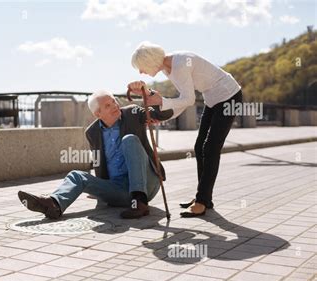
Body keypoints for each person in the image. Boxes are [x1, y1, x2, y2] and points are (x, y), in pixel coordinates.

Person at [18, 90, 179, 219]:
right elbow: (99, 162)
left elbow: (164, 114)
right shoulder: (92, 132)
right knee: (77, 175)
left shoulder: (133, 113)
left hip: (147, 184)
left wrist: (154, 98)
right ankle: (53, 204)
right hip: (120, 190)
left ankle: (140, 202)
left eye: (114, 101)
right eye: (108, 105)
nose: (115, 106)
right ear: (97, 113)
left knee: (129, 140)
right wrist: (100, 190)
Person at [128, 42, 243, 217]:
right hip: (213, 100)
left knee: (210, 148)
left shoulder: (180, 64)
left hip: (229, 96)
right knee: (200, 148)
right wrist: (160, 115)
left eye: (141, 67)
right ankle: (204, 198)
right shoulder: (169, 68)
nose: (141, 72)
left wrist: (161, 101)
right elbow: (182, 102)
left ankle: (202, 201)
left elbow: (188, 100)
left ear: (150, 61)